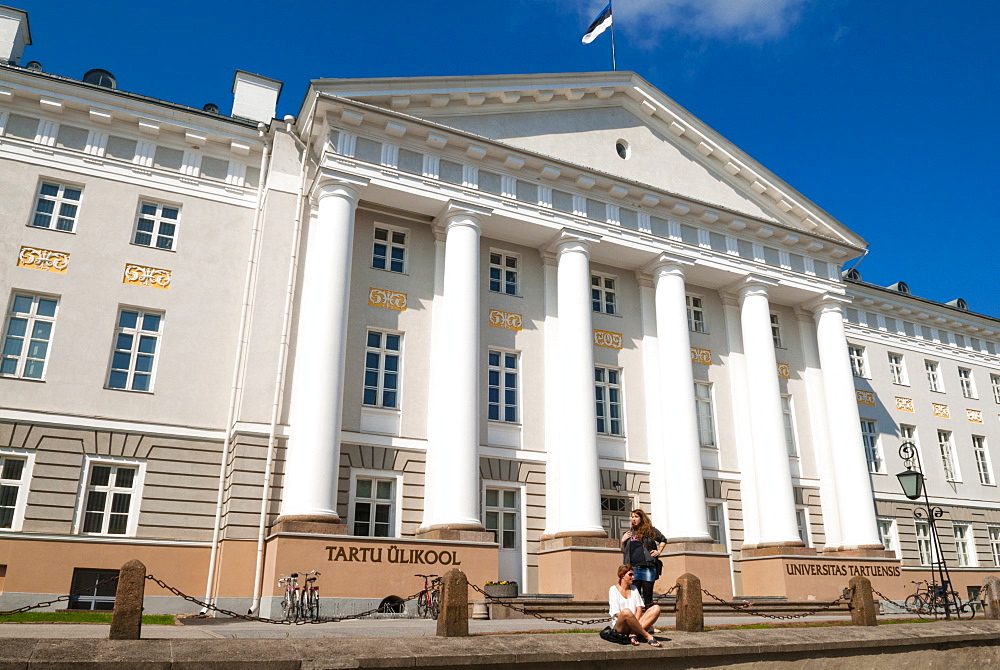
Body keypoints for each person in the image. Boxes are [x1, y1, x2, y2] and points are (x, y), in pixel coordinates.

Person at [621, 509, 666, 610]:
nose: (633, 519)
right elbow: (624, 550)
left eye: (636, 517)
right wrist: (623, 540)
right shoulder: (629, 533)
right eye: (632, 517)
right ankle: (636, 622)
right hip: (633, 568)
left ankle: (647, 622)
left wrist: (658, 551)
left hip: (648, 568)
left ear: (642, 518)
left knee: (648, 598)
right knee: (634, 597)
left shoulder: (650, 531)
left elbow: (663, 540)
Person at [608, 564, 662, 646]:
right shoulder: (613, 589)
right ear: (622, 575)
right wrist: (631, 620)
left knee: (656, 608)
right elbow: (617, 613)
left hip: (635, 623)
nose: (633, 577)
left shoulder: (634, 588)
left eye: (633, 574)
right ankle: (647, 636)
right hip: (621, 625)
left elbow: (639, 609)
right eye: (630, 574)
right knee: (626, 611)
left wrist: (634, 624)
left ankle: (634, 634)